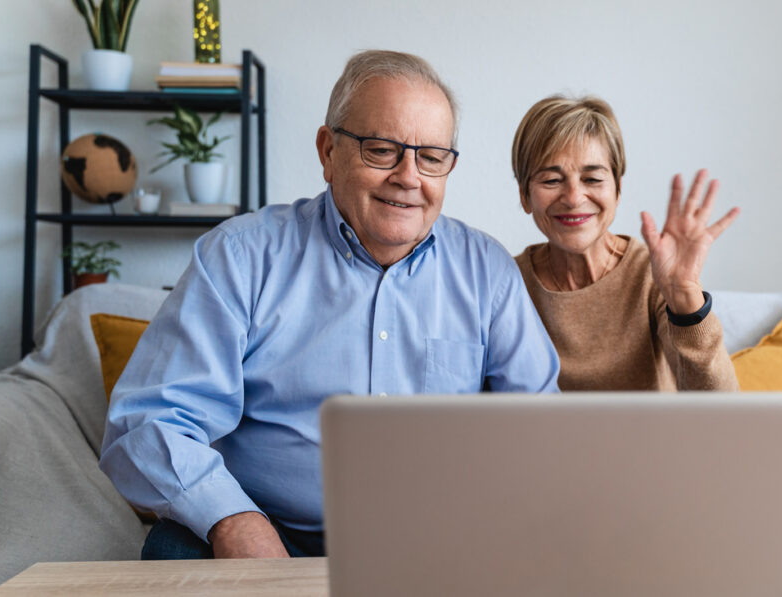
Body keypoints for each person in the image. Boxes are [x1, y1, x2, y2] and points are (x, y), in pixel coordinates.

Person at [100, 50, 560, 560]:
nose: (409, 177)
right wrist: (234, 520)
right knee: (171, 550)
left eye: (431, 157)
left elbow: (538, 429)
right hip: (274, 534)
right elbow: (150, 419)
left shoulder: (488, 271)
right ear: (328, 151)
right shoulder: (240, 258)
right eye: (382, 150)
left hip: (439, 541)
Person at [511, 95, 739, 391]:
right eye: (552, 180)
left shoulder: (652, 273)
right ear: (524, 196)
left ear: (618, 189)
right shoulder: (508, 282)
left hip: (651, 439)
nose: (573, 198)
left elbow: (718, 408)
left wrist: (686, 299)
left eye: (592, 179)